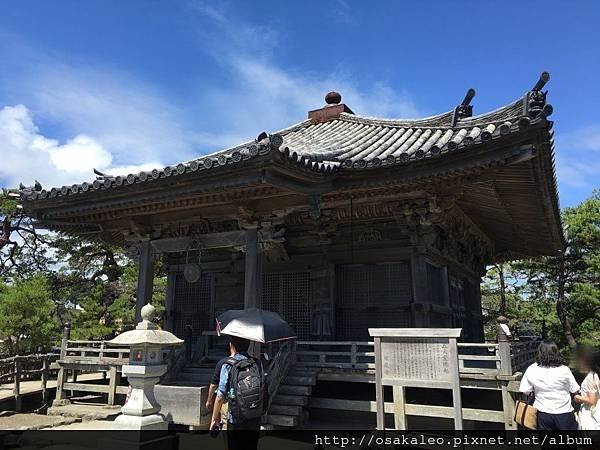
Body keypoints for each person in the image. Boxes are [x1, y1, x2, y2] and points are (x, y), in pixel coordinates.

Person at [210, 336, 262, 450]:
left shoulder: (228, 364)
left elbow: (220, 396)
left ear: (231, 345)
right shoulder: (257, 363)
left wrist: (214, 418)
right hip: (254, 415)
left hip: (235, 417)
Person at [519, 340, 580, 430]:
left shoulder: (532, 369)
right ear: (556, 352)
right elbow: (574, 389)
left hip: (542, 413)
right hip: (564, 412)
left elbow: (525, 390)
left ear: (540, 352)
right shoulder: (564, 370)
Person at [574, 348, 600, 430]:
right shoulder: (596, 374)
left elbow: (592, 401)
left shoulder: (591, 377)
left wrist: (577, 397)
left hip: (589, 413)